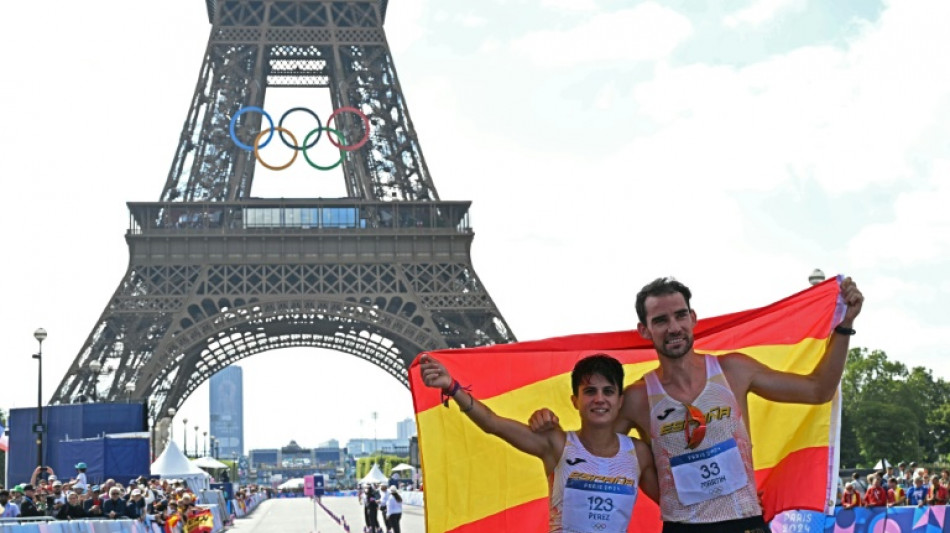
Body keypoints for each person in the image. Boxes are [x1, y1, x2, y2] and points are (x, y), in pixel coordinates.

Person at [530, 277, 863, 533]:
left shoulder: (733, 371)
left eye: (679, 316)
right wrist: (549, 430)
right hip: (682, 528)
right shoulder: (636, 397)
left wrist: (844, 324)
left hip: (743, 520)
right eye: (660, 320)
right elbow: (591, 453)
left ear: (693, 318)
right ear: (644, 330)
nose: (673, 327)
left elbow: (818, 390)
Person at [421, 353, 658, 533]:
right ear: (575, 400)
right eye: (590, 391)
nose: (599, 399)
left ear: (620, 401)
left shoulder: (638, 453)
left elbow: (672, 501)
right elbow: (492, 423)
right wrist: (452, 388)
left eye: (608, 391)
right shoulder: (556, 444)